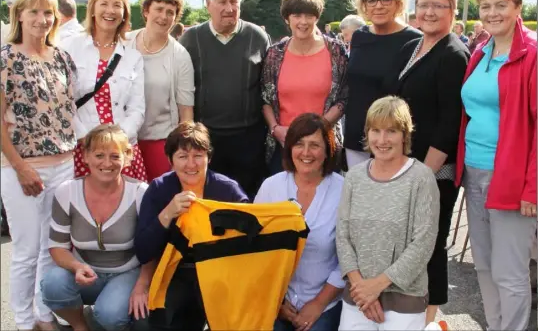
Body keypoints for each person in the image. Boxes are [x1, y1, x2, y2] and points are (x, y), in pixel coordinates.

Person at [386, 0, 470, 324]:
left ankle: (431, 317)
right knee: (410, 244)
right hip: (408, 167)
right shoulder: (415, 45)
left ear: (453, 12)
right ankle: (410, 312)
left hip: (434, 173)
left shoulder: (452, 54)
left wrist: (419, 175)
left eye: (439, 5)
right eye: (424, 4)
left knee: (430, 246)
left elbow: (450, 125)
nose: (430, 11)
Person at [455, 0, 537, 331]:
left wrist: (532, 188)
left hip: (512, 179)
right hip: (475, 172)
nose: (492, 13)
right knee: (485, 265)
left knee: (510, 270)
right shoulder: (480, 51)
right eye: (486, 6)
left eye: (500, 5)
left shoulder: (532, 54)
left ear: (517, 7)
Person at [0, 0, 78, 331]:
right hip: (22, 169)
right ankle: (23, 321)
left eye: (47, 12)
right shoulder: (5, 59)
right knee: (26, 250)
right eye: (33, 11)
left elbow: (68, 111)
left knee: (52, 248)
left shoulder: (61, 57)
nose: (42, 19)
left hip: (64, 165)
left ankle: (45, 316)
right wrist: (20, 167)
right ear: (18, 14)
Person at [337, 96, 440, 329]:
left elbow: (423, 243)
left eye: (391, 131)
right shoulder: (354, 177)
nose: (382, 140)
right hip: (358, 296)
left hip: (404, 299)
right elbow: (343, 235)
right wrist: (361, 288)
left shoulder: (421, 178)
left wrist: (377, 286)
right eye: (375, 130)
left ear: (405, 135)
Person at [134, 121, 248, 330]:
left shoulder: (227, 190)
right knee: (145, 322)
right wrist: (168, 213)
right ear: (170, 160)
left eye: (198, 156)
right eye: (182, 156)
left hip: (219, 273)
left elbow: (251, 239)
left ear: (209, 158)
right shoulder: (159, 189)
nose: (191, 164)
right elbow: (143, 251)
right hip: (173, 272)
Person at [41, 124, 151, 331]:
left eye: (115, 156)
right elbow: (57, 247)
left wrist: (142, 285)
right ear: (85, 156)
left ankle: (108, 314)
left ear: (127, 158)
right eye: (99, 155)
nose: (107, 163)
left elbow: (154, 248)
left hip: (127, 271)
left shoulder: (140, 193)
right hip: (86, 271)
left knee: (110, 316)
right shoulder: (67, 192)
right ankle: (80, 325)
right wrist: (76, 267)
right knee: (52, 285)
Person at [179, 0, 271, 198]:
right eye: (222, 2)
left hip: (249, 138)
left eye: (234, 2)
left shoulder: (256, 37)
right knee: (210, 197)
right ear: (208, 5)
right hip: (206, 138)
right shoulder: (191, 39)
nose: (229, 8)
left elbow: (268, 86)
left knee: (247, 198)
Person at [255, 113, 344, 331]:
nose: (306, 153)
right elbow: (254, 250)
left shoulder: (344, 190)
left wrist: (318, 304)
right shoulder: (270, 187)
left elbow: (349, 258)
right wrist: (276, 302)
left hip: (325, 303)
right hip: (275, 300)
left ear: (327, 150)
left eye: (314, 145)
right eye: (299, 144)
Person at [61, 0, 147, 182]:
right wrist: (88, 141)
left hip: (121, 152)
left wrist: (116, 142)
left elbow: (137, 109)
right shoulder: (68, 48)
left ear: (125, 13)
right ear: (92, 8)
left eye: (117, 5)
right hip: (81, 150)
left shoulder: (132, 56)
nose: (110, 11)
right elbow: (63, 103)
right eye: (104, 3)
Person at [261, 0, 348, 176]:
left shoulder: (336, 51)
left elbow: (344, 97)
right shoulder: (275, 54)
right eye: (297, 15)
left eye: (309, 15)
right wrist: (275, 129)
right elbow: (266, 100)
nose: (303, 21)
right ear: (287, 18)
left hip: (324, 144)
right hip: (284, 143)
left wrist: (318, 129)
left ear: (317, 18)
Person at [344, 0, 422, 169]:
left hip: (392, 140)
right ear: (364, 5)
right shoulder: (359, 37)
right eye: (372, 0)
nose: (379, 5)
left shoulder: (415, 40)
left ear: (398, 3)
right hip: (356, 136)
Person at [126, 0, 195, 182]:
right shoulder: (124, 43)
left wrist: (184, 150)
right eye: (159, 9)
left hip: (161, 142)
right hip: (123, 141)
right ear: (146, 11)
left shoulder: (180, 56)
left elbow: (186, 110)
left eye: (170, 12)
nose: (163, 17)